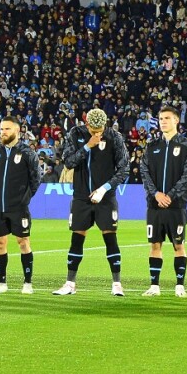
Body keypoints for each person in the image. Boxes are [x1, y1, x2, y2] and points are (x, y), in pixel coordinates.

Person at [54, 107, 130, 296]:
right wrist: (88, 146)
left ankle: (117, 284)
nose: (98, 133)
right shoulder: (75, 134)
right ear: (86, 124)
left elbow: (124, 170)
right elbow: (69, 162)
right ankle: (70, 284)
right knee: (77, 239)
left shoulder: (114, 137)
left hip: (105, 198)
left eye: (100, 129)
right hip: (81, 197)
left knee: (110, 238)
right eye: (94, 129)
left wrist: (104, 189)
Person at [139, 104, 187, 297]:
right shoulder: (152, 145)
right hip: (154, 205)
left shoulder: (186, 145)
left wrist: (170, 195)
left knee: (178, 244)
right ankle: (154, 286)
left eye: (167, 118)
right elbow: (144, 171)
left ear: (176, 120)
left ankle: (179, 285)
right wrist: (156, 194)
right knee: (155, 244)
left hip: (176, 205)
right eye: (161, 118)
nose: (163, 122)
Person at [0, 115, 41, 294]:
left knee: (23, 242)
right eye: (1, 129)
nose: (3, 132)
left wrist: (24, 198)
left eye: (7, 129)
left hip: (19, 207)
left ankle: (27, 283)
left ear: (17, 130)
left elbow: (36, 179)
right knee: (0, 243)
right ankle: (1, 283)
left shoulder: (27, 153)